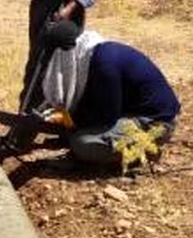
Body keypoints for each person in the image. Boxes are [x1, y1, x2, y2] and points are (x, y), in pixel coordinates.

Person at [37, 21, 179, 167]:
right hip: (134, 114)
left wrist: (72, 123)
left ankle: (144, 152)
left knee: (81, 143)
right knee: (79, 134)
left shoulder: (104, 64)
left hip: (156, 124)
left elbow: (106, 117)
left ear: (67, 51)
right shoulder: (95, 54)